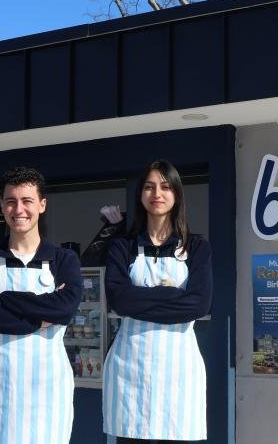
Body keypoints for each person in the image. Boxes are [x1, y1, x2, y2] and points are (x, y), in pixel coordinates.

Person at [0, 166, 82, 444]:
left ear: (42, 205)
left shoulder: (64, 260)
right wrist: (38, 320)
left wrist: (7, 300)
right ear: (3, 206)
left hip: (48, 386)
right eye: (10, 201)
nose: (19, 209)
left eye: (27, 200)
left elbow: (65, 309)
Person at [103, 160, 213, 444]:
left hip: (178, 367)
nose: (157, 193)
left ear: (176, 194)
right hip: (130, 367)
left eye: (165, 186)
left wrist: (141, 297)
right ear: (140, 195)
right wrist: (173, 295)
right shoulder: (122, 247)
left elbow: (199, 305)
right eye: (150, 187)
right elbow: (118, 301)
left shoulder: (196, 247)